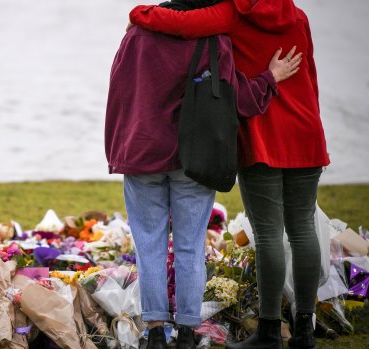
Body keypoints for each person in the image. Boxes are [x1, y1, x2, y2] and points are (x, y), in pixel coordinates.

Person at [127, 1, 330, 348]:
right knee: (302, 227)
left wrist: (139, 13)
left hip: (262, 135)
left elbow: (184, 22)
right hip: (305, 128)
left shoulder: (235, 12)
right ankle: (304, 328)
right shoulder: (298, 16)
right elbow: (309, 73)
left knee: (267, 234)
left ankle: (268, 329)